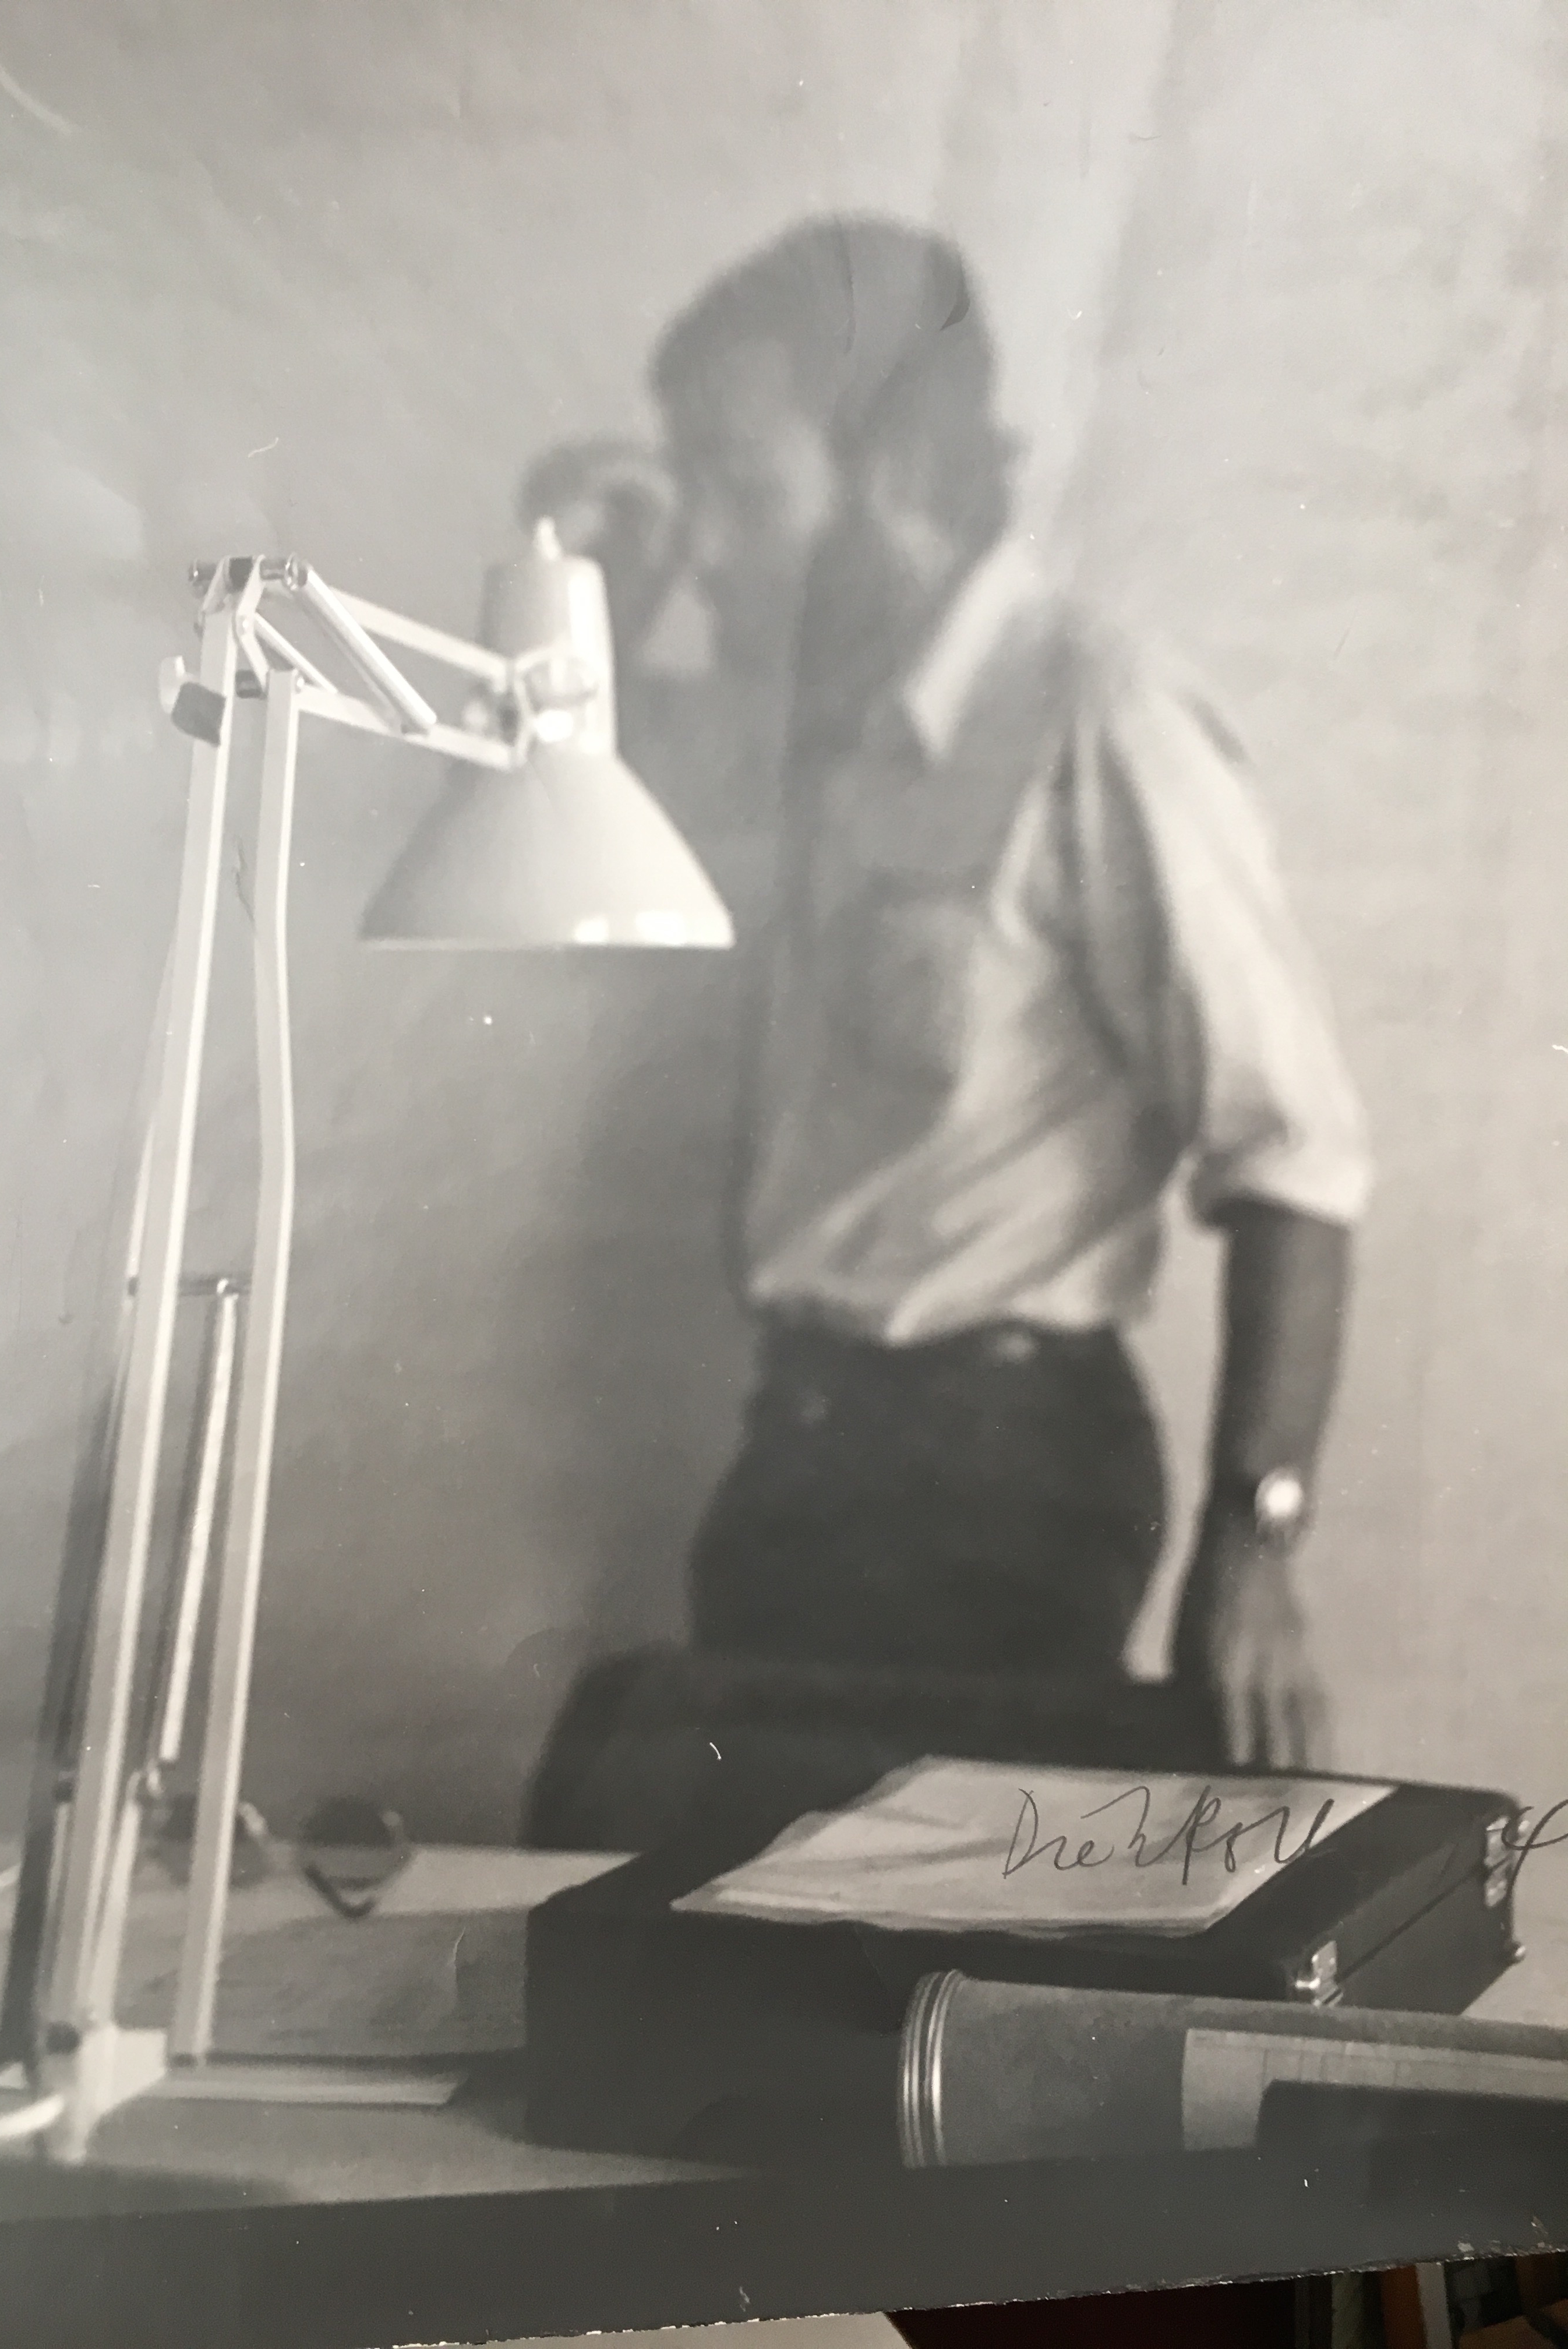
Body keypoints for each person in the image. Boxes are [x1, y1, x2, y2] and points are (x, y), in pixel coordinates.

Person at [551, 217, 1371, 1773]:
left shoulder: (1094, 717)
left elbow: (1297, 1156)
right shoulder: (830, 724)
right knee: (732, 1940)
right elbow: (577, 807)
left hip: (995, 1487)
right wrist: (603, 583)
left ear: (905, 481)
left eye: (744, 489)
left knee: (870, 1966)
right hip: (796, 1459)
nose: (712, 543)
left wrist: (1257, 1544)